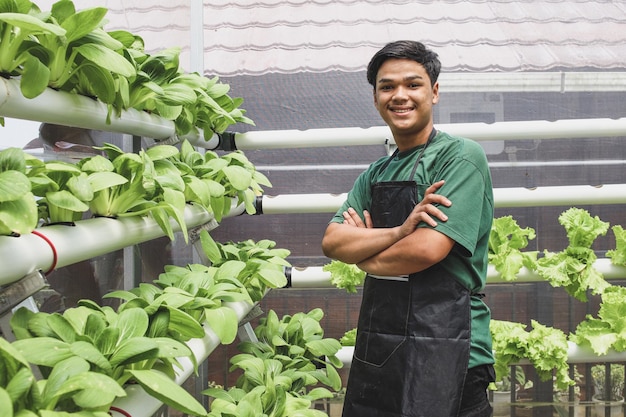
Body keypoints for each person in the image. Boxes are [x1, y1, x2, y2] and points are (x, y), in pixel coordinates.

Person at [321, 40, 495, 417]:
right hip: (380, 347)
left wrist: (364, 257)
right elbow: (333, 241)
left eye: (413, 84)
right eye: (387, 87)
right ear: (375, 97)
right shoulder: (376, 173)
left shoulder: (460, 157)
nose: (400, 95)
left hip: (451, 348)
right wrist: (400, 231)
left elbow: (427, 250)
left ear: (434, 91)